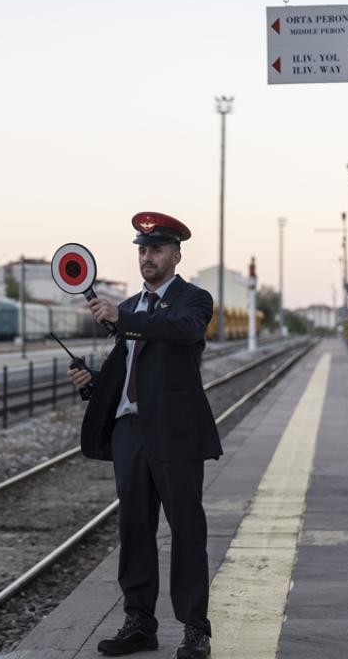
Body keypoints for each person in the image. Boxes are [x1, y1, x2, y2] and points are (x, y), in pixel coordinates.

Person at [67, 211, 220, 659]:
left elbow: (182, 332)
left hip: (175, 435)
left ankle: (195, 629)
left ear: (176, 254)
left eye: (156, 249)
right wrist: (92, 383)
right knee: (134, 530)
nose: (148, 257)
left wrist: (125, 319)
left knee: (187, 530)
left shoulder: (195, 300)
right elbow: (131, 373)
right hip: (129, 433)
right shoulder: (130, 308)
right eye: (142, 250)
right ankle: (140, 623)